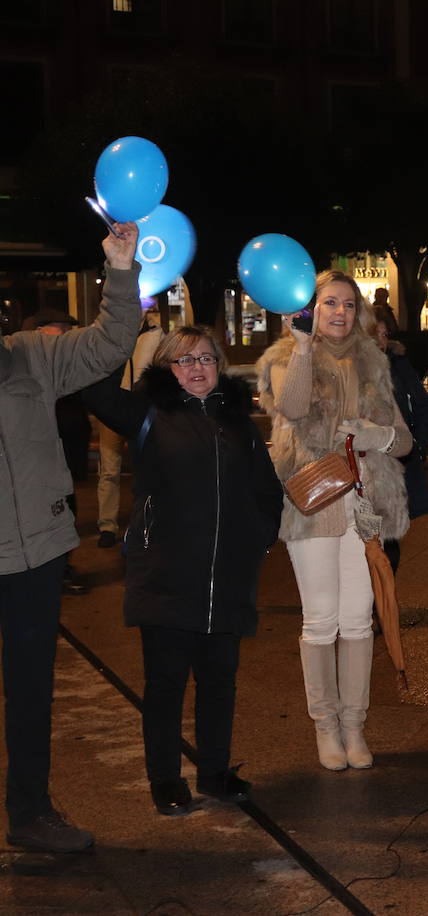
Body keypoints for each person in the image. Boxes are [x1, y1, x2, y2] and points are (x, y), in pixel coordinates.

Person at [82, 327, 282, 816]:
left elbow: (266, 490)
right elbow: (96, 391)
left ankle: (215, 772)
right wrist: (118, 332)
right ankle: (165, 778)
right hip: (166, 576)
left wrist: (256, 539)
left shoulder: (238, 423)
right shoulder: (149, 412)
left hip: (226, 580)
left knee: (220, 681)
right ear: (166, 368)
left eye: (206, 358)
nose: (197, 368)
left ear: (221, 365)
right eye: (184, 360)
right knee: (166, 683)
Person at [1, 222, 142, 852]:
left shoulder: (32, 352)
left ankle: (31, 814)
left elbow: (113, 342)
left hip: (31, 554)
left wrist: (118, 268)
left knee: (30, 693)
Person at [257, 270, 413, 772]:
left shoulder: (373, 360)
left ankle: (354, 725)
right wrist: (302, 348)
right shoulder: (285, 357)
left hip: (365, 504)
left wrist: (378, 437)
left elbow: (406, 439)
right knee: (321, 620)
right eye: (330, 303)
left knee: (357, 621)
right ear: (312, 308)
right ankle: (325, 726)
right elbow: (294, 409)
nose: (340, 312)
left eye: (348, 303)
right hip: (315, 502)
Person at [26, 308, 95, 595]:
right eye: (60, 328)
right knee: (48, 516)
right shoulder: (27, 364)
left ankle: (59, 569)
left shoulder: (64, 360)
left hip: (66, 451)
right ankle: (53, 573)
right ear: (39, 331)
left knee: (65, 511)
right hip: (38, 461)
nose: (66, 334)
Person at [373, 306, 428, 571]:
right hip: (364, 470)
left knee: (390, 544)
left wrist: (417, 447)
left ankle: (382, 606)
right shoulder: (351, 369)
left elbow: (422, 406)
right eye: (374, 333)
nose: (380, 339)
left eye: (384, 333)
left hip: (396, 467)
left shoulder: (398, 364)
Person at [95, 306, 163, 549]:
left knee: (144, 469)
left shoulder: (155, 332)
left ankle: (144, 523)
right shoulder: (105, 332)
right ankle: (107, 526)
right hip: (113, 407)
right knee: (109, 470)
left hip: (141, 408)